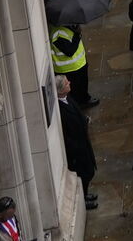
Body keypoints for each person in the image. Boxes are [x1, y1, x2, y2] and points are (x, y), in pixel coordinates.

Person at [56, 75, 98, 210]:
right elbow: (65, 133)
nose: (69, 82)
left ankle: (85, 195)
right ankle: (83, 200)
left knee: (89, 170)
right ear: (61, 90)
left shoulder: (68, 98)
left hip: (82, 142)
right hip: (76, 148)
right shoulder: (61, 109)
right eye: (66, 83)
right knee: (84, 174)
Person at [50, 22, 95, 108]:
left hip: (79, 64)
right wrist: (77, 35)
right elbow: (69, 51)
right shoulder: (58, 33)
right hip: (69, 69)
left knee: (82, 85)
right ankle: (80, 104)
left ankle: (85, 99)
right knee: (74, 91)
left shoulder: (68, 26)